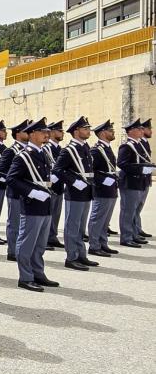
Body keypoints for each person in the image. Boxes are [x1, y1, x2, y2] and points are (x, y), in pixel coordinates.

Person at [7, 118, 58, 291]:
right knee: (27, 242)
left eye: (47, 132)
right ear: (32, 134)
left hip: (45, 204)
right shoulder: (23, 155)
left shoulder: (43, 153)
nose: (46, 134)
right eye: (43, 132)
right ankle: (25, 277)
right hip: (32, 205)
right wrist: (32, 192)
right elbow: (12, 179)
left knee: (40, 243)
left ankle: (38, 272)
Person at [52, 116, 97, 271]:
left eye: (88, 128)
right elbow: (57, 170)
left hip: (86, 192)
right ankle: (71, 257)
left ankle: (81, 255)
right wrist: (73, 181)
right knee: (72, 225)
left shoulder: (85, 147)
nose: (88, 131)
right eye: (85, 129)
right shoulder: (68, 150)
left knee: (80, 227)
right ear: (76, 131)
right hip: (75, 193)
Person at [0, 120, 29, 261]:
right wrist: (12, 182)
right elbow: (1, 172)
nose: (28, 133)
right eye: (25, 131)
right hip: (15, 192)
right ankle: (12, 251)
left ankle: (22, 249)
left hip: (27, 193)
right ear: (17, 134)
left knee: (25, 224)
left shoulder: (29, 150)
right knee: (15, 222)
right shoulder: (10, 151)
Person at [117, 119, 152, 247]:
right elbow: (122, 164)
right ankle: (126, 237)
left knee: (135, 210)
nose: (142, 131)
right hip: (130, 182)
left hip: (140, 181)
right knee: (128, 210)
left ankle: (134, 234)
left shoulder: (139, 144)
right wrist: (141, 169)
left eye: (142, 129)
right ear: (131, 131)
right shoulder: (126, 146)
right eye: (139, 129)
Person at [88, 120, 119, 257]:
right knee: (97, 218)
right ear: (102, 133)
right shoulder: (96, 150)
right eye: (110, 130)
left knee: (105, 219)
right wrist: (103, 180)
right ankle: (94, 246)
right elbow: (91, 171)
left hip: (111, 189)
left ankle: (102, 243)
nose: (113, 132)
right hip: (101, 189)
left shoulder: (106, 148)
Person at [43, 121, 65, 248]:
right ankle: (44, 238)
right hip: (49, 186)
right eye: (59, 131)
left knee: (56, 213)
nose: (62, 133)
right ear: (51, 133)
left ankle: (52, 236)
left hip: (59, 185)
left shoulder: (60, 149)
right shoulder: (46, 148)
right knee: (47, 214)